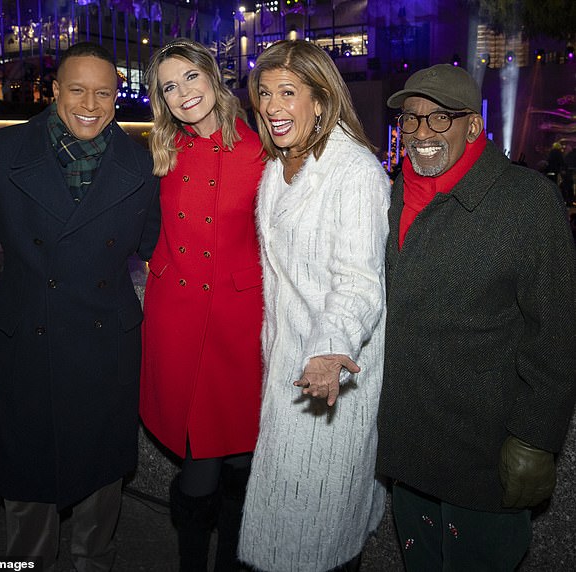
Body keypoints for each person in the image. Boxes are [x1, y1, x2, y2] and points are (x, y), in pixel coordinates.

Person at [0, 42, 160, 570]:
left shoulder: (143, 162)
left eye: (104, 92)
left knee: (99, 514)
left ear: (118, 96)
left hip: (105, 351)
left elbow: (166, 250)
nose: (90, 103)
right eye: (77, 90)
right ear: (54, 92)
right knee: (28, 513)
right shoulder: (3, 152)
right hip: (23, 348)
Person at [377, 63, 576, 571]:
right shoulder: (391, 192)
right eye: (412, 120)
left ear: (473, 126)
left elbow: (555, 334)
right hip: (407, 445)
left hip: (483, 458)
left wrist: (536, 438)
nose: (422, 133)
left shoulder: (527, 202)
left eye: (441, 119)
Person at [238, 40, 390, 572]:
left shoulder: (355, 173)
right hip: (284, 369)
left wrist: (328, 352)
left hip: (332, 379)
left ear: (321, 100)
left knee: (321, 531)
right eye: (264, 93)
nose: (273, 105)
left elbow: (359, 283)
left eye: (288, 92)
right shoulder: (276, 170)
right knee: (288, 526)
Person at [138, 39, 265, 571]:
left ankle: (233, 562)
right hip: (179, 319)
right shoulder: (162, 151)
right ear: (161, 100)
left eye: (190, 77)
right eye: (169, 86)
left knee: (240, 456)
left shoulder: (262, 149)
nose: (183, 92)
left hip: (239, 323)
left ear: (213, 76)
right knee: (200, 460)